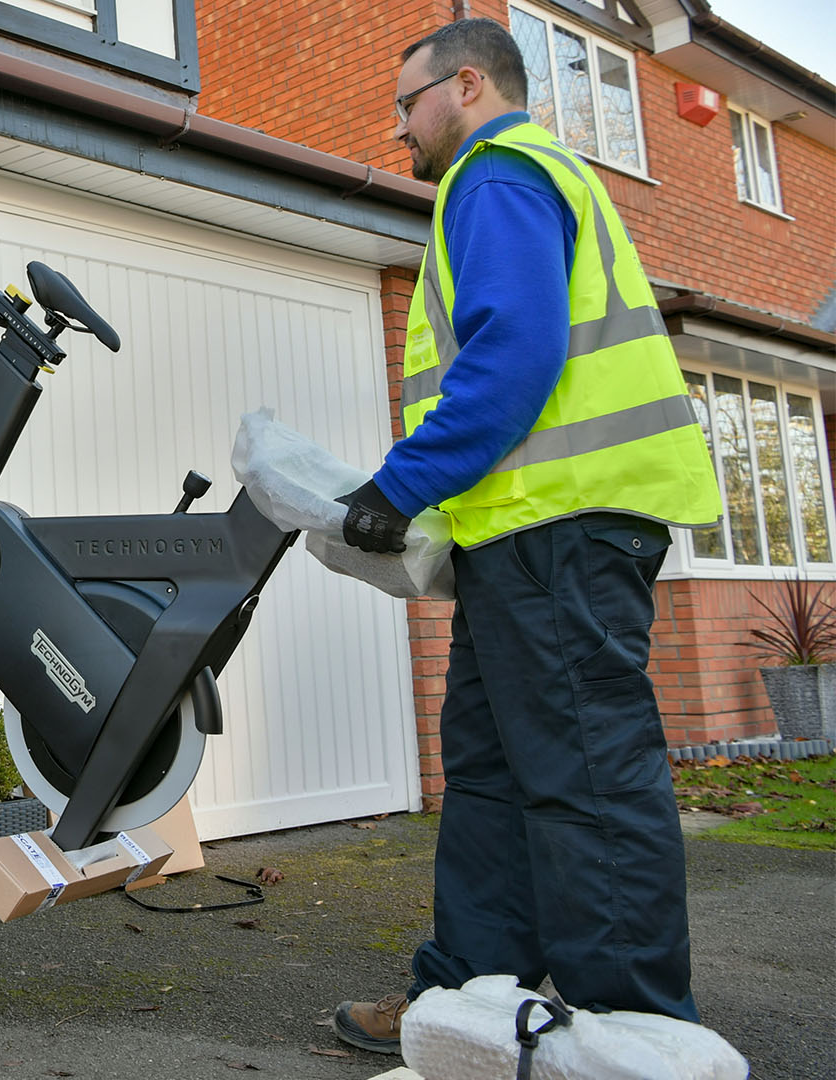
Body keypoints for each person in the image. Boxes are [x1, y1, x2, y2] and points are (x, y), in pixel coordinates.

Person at [332, 18, 724, 1054]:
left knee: (586, 778)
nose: (400, 128)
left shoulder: (498, 176)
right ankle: (464, 1008)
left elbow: (516, 353)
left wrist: (400, 485)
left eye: (406, 102)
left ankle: (635, 1040)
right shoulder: (516, 181)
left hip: (564, 533)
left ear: (466, 85)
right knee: (497, 774)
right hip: (525, 539)